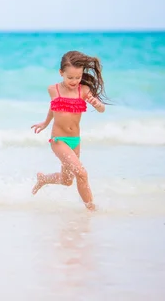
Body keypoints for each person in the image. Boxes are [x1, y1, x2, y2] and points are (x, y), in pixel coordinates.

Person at [30, 50, 109, 211]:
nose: (74, 81)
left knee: (67, 180)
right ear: (61, 73)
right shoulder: (54, 89)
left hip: (75, 140)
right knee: (82, 173)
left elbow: (101, 110)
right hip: (59, 140)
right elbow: (54, 107)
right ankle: (91, 209)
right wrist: (45, 123)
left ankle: (43, 179)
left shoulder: (84, 90)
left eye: (78, 77)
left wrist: (98, 104)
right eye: (70, 77)